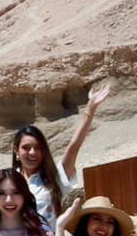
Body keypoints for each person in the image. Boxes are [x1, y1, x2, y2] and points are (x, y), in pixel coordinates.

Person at [13, 81, 108, 221]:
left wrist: (90, 109)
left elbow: (74, 146)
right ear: (16, 151)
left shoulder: (54, 178)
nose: (32, 152)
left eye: (38, 148)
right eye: (26, 148)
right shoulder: (9, 180)